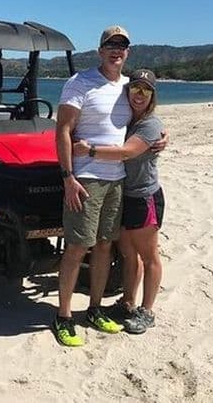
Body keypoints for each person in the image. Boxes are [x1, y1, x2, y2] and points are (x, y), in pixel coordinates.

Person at [51, 25, 135, 347]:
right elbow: (63, 130)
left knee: (104, 246)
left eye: (122, 45)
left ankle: (95, 309)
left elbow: (141, 121)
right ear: (100, 50)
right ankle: (63, 316)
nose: (116, 50)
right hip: (86, 179)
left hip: (117, 179)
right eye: (110, 45)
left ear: (127, 52)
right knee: (76, 247)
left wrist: (161, 137)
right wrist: (67, 177)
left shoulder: (129, 87)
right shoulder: (80, 82)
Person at [73, 68, 164, 334]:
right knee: (128, 254)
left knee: (149, 256)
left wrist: (88, 150)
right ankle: (127, 302)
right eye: (135, 88)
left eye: (145, 90)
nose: (139, 94)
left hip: (144, 196)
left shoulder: (151, 124)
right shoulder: (127, 121)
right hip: (124, 193)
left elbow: (126, 152)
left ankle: (147, 311)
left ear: (152, 96)